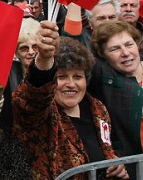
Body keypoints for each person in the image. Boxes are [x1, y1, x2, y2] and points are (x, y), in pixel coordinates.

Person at [13, 21, 128, 179]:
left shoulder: (97, 108)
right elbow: (33, 94)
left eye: (77, 76)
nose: (71, 84)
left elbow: (108, 150)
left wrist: (117, 165)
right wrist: (45, 59)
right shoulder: (39, 113)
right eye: (61, 76)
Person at [89, 20, 143, 179]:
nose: (125, 53)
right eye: (115, 49)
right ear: (103, 57)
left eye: (129, 44)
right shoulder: (107, 81)